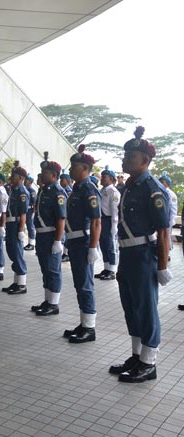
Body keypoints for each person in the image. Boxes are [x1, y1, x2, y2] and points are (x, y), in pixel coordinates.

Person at [110, 126, 171, 383]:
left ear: (145, 161)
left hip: (145, 254)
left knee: (146, 308)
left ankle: (149, 362)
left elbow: (164, 230)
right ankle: (137, 355)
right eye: (124, 156)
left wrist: (163, 265)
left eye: (130, 157)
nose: (125, 160)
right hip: (127, 253)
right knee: (131, 306)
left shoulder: (153, 189)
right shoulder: (130, 187)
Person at [62, 144, 101, 344]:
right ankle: (83, 322)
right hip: (75, 240)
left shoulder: (89, 189)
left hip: (84, 241)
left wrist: (93, 247)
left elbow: (96, 221)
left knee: (85, 285)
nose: (70, 170)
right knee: (79, 283)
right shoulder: (76, 188)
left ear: (85, 168)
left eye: (74, 166)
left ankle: (89, 328)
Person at [31, 153, 67, 317]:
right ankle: (48, 300)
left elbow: (61, 218)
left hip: (52, 235)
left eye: (45, 173)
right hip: (42, 236)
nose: (41, 175)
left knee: (53, 270)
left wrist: (58, 241)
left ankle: (54, 303)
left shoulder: (57, 192)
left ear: (54, 175)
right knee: (45, 269)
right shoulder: (44, 190)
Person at [2, 162, 29, 294]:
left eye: (14, 176)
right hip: (10, 224)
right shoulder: (14, 190)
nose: (11, 178)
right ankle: (16, 281)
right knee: (12, 252)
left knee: (17, 254)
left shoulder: (22, 192)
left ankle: (22, 285)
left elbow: (23, 214)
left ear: (20, 178)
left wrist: (20, 230)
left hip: (16, 224)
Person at [96, 166, 120, 280]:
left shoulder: (113, 192)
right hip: (102, 219)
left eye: (104, 177)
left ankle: (112, 270)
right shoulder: (102, 190)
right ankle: (106, 268)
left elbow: (115, 210)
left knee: (111, 246)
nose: (102, 179)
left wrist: (114, 225)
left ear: (111, 179)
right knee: (103, 244)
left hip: (109, 220)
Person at [158, 171, 177, 251]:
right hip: (160, 219)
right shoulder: (159, 192)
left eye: (162, 182)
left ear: (167, 184)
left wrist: (171, 221)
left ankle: (167, 253)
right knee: (161, 237)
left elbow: (173, 209)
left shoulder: (171, 194)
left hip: (167, 220)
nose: (160, 183)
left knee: (167, 236)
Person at [59, 172, 72, 262]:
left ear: (67, 181)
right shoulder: (62, 190)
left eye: (62, 180)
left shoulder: (68, 190)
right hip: (64, 214)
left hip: (67, 215)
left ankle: (66, 253)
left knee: (65, 235)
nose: (60, 181)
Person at [24, 175, 37, 251]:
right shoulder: (24, 189)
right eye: (25, 180)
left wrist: (33, 212)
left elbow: (34, 202)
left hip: (30, 210)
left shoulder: (32, 191)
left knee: (30, 226)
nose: (25, 181)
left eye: (27, 180)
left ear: (31, 182)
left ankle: (31, 243)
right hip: (25, 210)